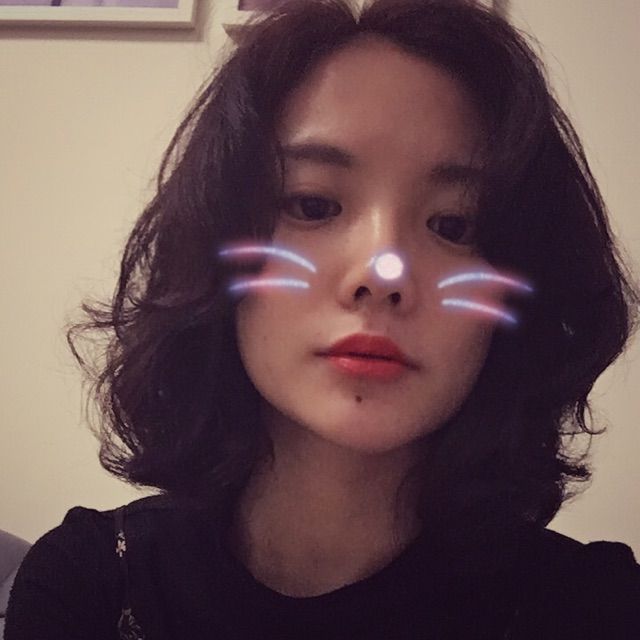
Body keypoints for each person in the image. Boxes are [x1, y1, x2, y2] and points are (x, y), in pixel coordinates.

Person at [5, 0, 640, 638]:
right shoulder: (90, 584)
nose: (383, 273)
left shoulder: (595, 608)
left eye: (453, 224)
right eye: (312, 205)